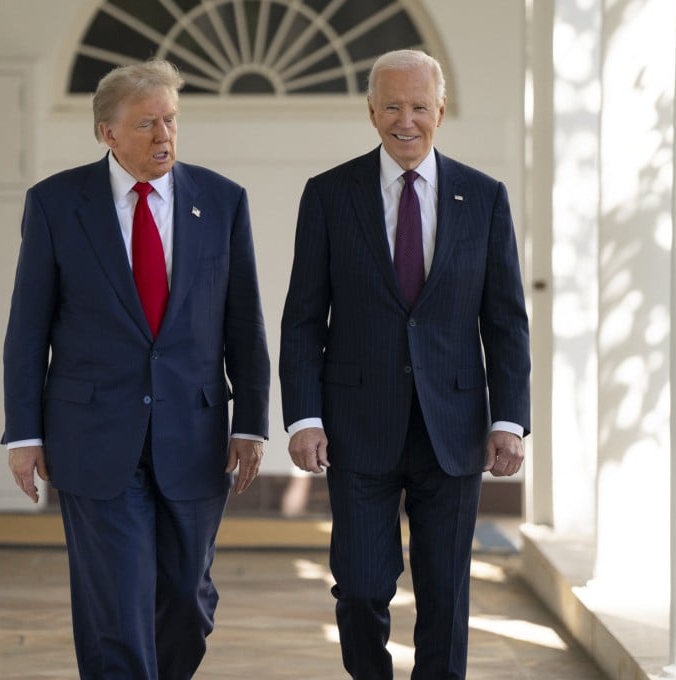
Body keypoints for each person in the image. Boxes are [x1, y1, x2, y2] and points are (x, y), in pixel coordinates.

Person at [2, 58, 270, 679]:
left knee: (186, 601)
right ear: (108, 134)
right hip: (93, 438)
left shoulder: (223, 202)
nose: (164, 136)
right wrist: (24, 434)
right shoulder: (55, 204)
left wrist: (252, 421)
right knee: (117, 611)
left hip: (196, 435)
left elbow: (244, 322)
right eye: (146, 123)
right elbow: (27, 329)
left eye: (171, 120)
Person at [279, 49, 530, 679]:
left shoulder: (487, 198)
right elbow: (304, 317)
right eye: (392, 105)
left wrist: (511, 421)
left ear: (441, 111)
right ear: (370, 111)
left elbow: (505, 322)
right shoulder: (329, 195)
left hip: (455, 427)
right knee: (362, 587)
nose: (406, 120)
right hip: (357, 426)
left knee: (445, 595)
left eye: (419, 106)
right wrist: (302, 416)